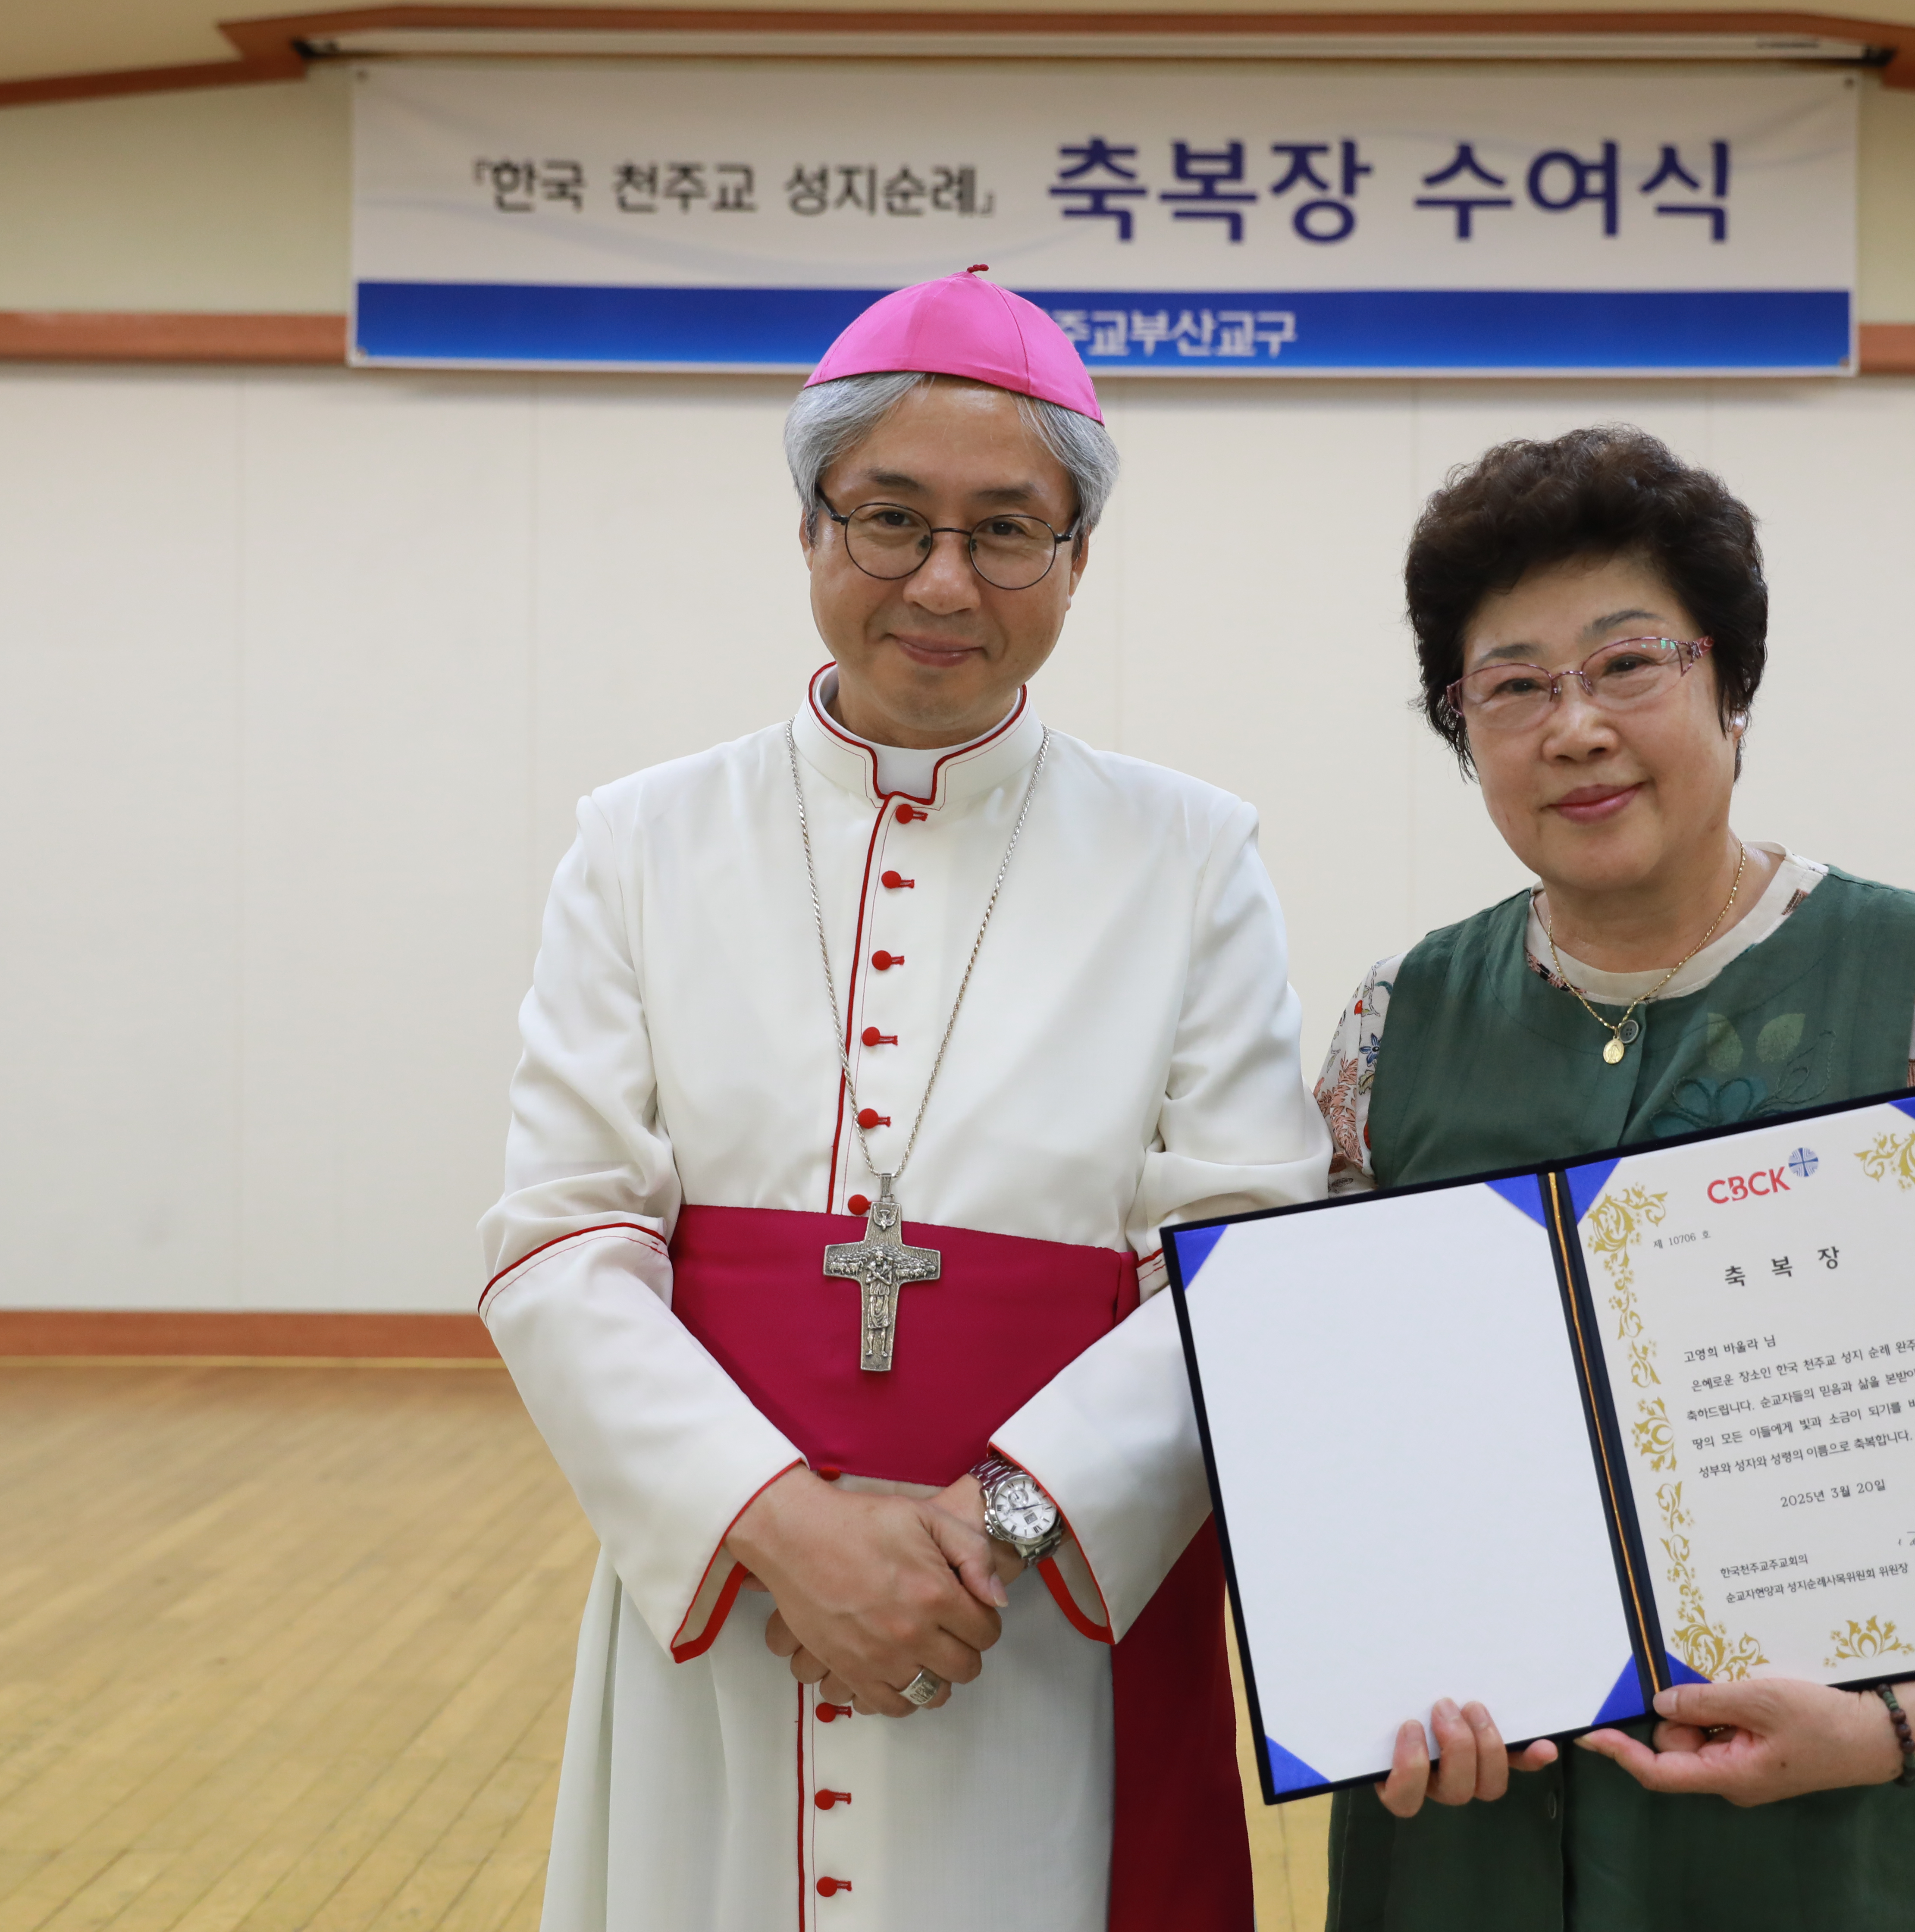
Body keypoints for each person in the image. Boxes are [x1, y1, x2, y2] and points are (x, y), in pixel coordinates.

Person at [477, 267, 1328, 1932]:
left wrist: (992, 1527)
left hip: (1034, 1618)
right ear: (811, 530)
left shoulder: (1191, 855)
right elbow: (562, 1237)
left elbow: (1244, 1252)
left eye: (1008, 531)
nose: (945, 579)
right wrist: (776, 1526)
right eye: (892, 519)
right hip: (725, 1604)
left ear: (1076, 563)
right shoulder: (640, 843)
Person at [1310, 426, 1915, 1929]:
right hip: (1487, 1812)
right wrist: (1362, 1662)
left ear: (1730, 684)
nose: (1575, 727)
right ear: (1465, 726)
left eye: (1630, 663)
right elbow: (1346, 1433)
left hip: (1861, 1814)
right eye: (1513, 685)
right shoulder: (1397, 1021)